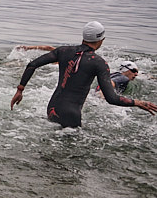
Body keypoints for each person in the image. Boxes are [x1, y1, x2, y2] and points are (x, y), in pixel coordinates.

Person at [10, 21, 157, 127]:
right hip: (71, 114)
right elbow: (111, 98)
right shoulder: (99, 63)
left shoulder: (63, 51)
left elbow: (32, 65)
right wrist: (138, 103)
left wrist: (20, 90)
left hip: (52, 107)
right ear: (101, 40)